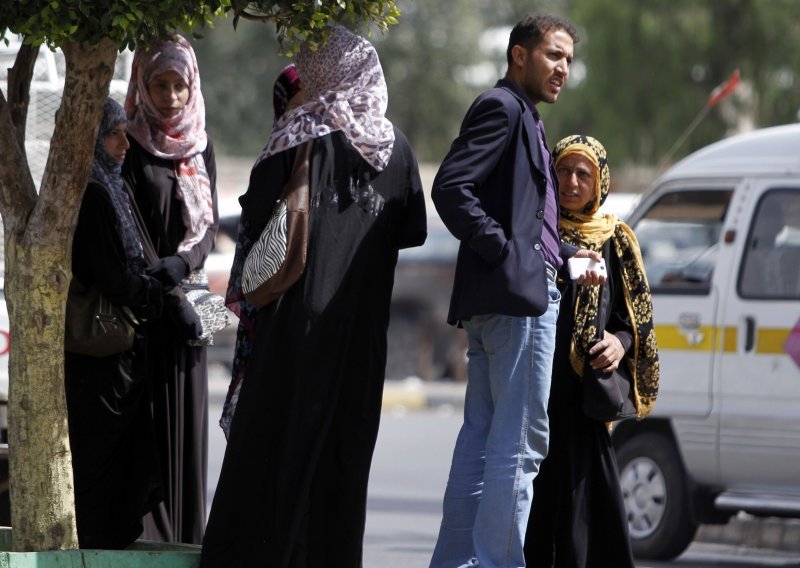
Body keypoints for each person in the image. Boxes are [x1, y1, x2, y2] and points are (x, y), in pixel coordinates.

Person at [200, 26, 427, 567]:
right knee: (341, 462)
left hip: (294, 333)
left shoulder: (300, 134)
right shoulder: (397, 149)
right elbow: (413, 230)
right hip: (361, 340)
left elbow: (256, 213)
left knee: (276, 453)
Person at [429, 14, 604, 568]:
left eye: (569, 60)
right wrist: (510, 256)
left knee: (481, 445)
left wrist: (567, 256)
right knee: (520, 447)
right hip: (517, 306)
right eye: (554, 56)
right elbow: (452, 188)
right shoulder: (503, 107)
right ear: (519, 55)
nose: (563, 70)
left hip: (504, 302)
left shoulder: (524, 115)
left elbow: (527, 219)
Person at [523, 134, 660, 567]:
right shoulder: (535, 230)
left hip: (583, 401)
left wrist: (617, 345)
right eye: (563, 170)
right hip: (534, 391)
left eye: (584, 173)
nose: (572, 181)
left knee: (584, 512)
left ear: (600, 181)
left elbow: (632, 318)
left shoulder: (615, 240)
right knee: (531, 508)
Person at [122, 34, 219, 544]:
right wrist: (167, 284)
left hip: (187, 314)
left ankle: (186, 540)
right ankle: (151, 543)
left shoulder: (200, 142)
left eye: (179, 84)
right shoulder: (131, 143)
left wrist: (186, 264)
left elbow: (209, 223)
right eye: (159, 84)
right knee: (151, 433)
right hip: (147, 311)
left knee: (188, 430)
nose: (171, 97)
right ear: (142, 82)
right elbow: (130, 225)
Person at [65, 97, 164, 549]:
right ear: (90, 138)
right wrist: (153, 291)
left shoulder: (107, 185)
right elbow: (111, 276)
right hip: (101, 361)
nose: (125, 143)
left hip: (112, 357)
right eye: (113, 134)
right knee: (100, 466)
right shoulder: (92, 193)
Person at [220, 63, 303, 438]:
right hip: (274, 292)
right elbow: (255, 210)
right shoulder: (284, 145)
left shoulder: (317, 146)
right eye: (304, 97)